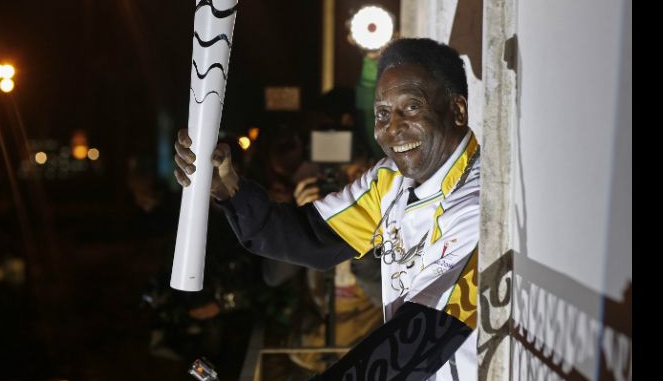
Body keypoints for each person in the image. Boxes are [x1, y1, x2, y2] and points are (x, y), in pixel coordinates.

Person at [174, 38, 480, 380]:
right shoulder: (389, 179)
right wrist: (228, 186)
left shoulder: (476, 204)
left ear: (457, 111)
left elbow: (421, 336)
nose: (392, 128)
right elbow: (311, 237)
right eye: (382, 113)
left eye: (411, 108)